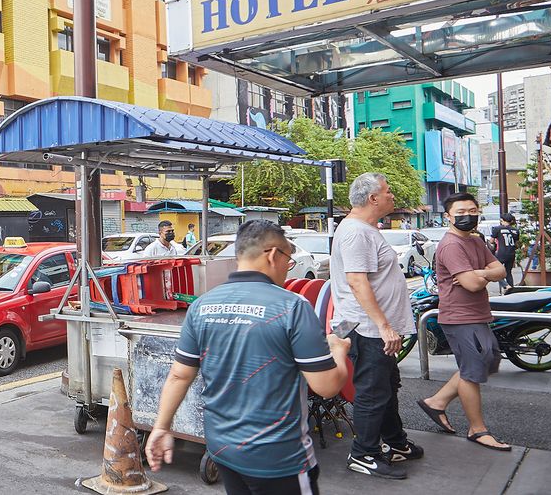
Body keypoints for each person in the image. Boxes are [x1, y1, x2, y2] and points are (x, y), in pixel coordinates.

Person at [147, 220, 352, 494]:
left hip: (223, 449)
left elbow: (179, 376)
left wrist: (161, 427)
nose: (288, 267)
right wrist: (338, 350)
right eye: (288, 259)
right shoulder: (292, 307)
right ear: (272, 255)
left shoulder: (202, 306)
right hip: (279, 458)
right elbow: (326, 386)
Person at [329, 172, 421, 480]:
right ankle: (363, 454)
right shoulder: (356, 232)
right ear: (372, 198)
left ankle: (395, 442)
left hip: (372, 326)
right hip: (367, 328)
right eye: (387, 191)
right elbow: (357, 281)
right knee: (372, 391)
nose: (392, 195)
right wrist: (384, 326)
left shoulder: (365, 229)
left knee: (387, 386)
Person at [417, 193, 510, 451]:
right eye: (460, 212)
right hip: (460, 317)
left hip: (477, 314)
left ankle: (436, 402)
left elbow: (500, 270)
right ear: (448, 216)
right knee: (472, 373)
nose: (467, 216)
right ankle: (477, 430)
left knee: (487, 361)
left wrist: (480, 272)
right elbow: (471, 285)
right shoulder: (451, 245)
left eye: (472, 210)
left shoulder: (475, 241)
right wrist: (484, 275)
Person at [490, 213, 520, 290]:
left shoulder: (497, 229)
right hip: (511, 253)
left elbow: (491, 241)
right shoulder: (515, 230)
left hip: (501, 253)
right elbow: (517, 243)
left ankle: (505, 285)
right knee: (508, 272)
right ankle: (511, 289)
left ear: (502, 220)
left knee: (495, 270)